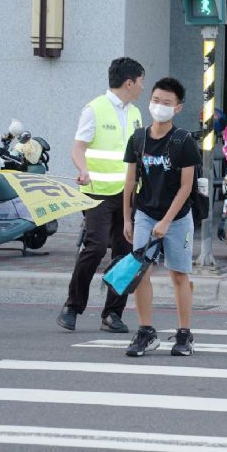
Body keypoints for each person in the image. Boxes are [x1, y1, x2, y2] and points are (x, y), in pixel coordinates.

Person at [57, 57, 144, 333]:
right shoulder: (94, 109)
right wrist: (83, 169)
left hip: (128, 194)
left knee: (125, 253)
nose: (143, 86)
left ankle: (112, 314)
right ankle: (72, 306)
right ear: (129, 82)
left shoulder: (136, 113)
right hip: (97, 193)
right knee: (94, 247)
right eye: (141, 81)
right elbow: (77, 148)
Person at [121, 77, 201, 357]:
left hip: (178, 218)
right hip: (144, 213)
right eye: (156, 100)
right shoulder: (138, 138)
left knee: (179, 274)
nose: (159, 106)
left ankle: (184, 334)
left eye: (166, 103)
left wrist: (166, 221)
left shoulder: (184, 142)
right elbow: (130, 182)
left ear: (178, 108)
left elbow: (186, 186)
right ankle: (145, 332)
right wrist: (127, 219)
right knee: (140, 271)